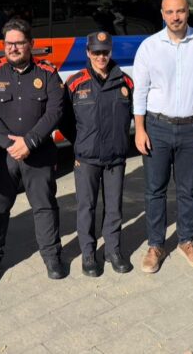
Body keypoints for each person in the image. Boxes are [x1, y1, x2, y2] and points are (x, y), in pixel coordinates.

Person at [132, 0, 193, 274]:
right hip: (157, 128)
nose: (176, 17)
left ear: (188, 11)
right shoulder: (149, 47)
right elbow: (141, 91)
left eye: (181, 11)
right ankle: (156, 245)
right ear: (162, 14)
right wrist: (139, 130)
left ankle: (187, 240)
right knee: (155, 189)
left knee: (188, 189)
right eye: (170, 12)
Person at [0, 18, 66, 283]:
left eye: (19, 43)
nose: (14, 48)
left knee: (45, 207)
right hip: (1, 156)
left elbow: (55, 110)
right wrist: (9, 143)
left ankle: (52, 256)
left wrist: (30, 141)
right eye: (9, 43)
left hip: (38, 153)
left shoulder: (47, 72)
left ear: (31, 44)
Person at [63, 31, 135, 277]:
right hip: (87, 159)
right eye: (96, 52)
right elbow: (64, 121)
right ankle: (88, 253)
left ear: (111, 52)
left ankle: (113, 251)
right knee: (87, 207)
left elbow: (133, 116)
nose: (101, 57)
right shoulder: (75, 83)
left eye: (105, 52)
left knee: (114, 207)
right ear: (87, 53)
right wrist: (81, 142)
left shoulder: (125, 82)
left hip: (116, 158)